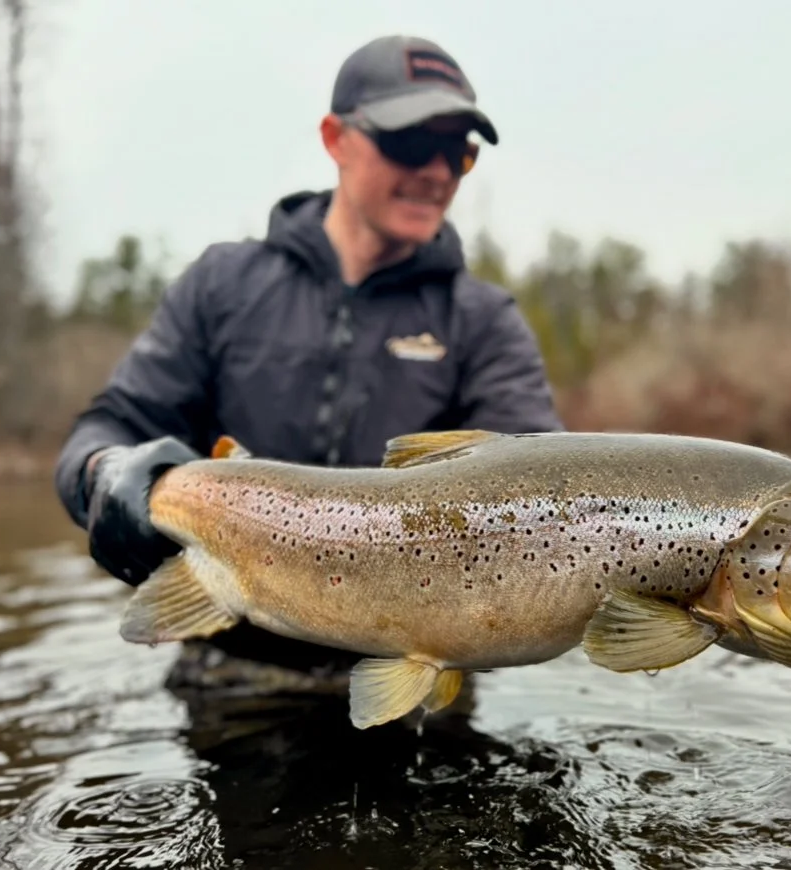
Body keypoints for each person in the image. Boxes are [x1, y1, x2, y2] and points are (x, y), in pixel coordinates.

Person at [52, 34, 564, 693]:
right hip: (235, 671)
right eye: (412, 141)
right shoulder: (223, 285)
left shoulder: (483, 320)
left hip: (423, 685)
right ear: (335, 138)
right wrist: (108, 472)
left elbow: (542, 488)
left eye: (458, 152)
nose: (438, 171)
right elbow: (106, 429)